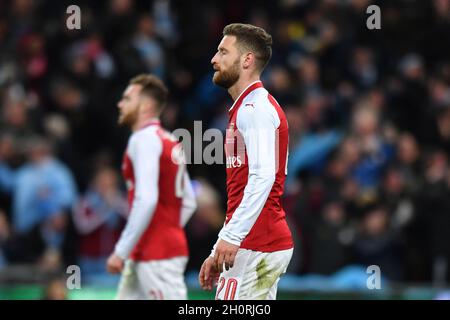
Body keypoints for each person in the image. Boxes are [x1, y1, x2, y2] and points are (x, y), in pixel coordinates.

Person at [199, 23, 294, 300]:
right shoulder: (248, 107)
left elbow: (263, 177)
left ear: (247, 60)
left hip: (258, 243)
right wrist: (220, 246)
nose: (214, 59)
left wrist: (232, 237)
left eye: (223, 52)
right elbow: (241, 192)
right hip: (254, 242)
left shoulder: (254, 110)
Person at [106, 74, 197, 300]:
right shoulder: (170, 140)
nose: (120, 104)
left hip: (156, 254)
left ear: (145, 105)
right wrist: (169, 229)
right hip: (152, 249)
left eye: (127, 98)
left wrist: (121, 251)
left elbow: (146, 199)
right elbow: (189, 201)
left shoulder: (143, 139)